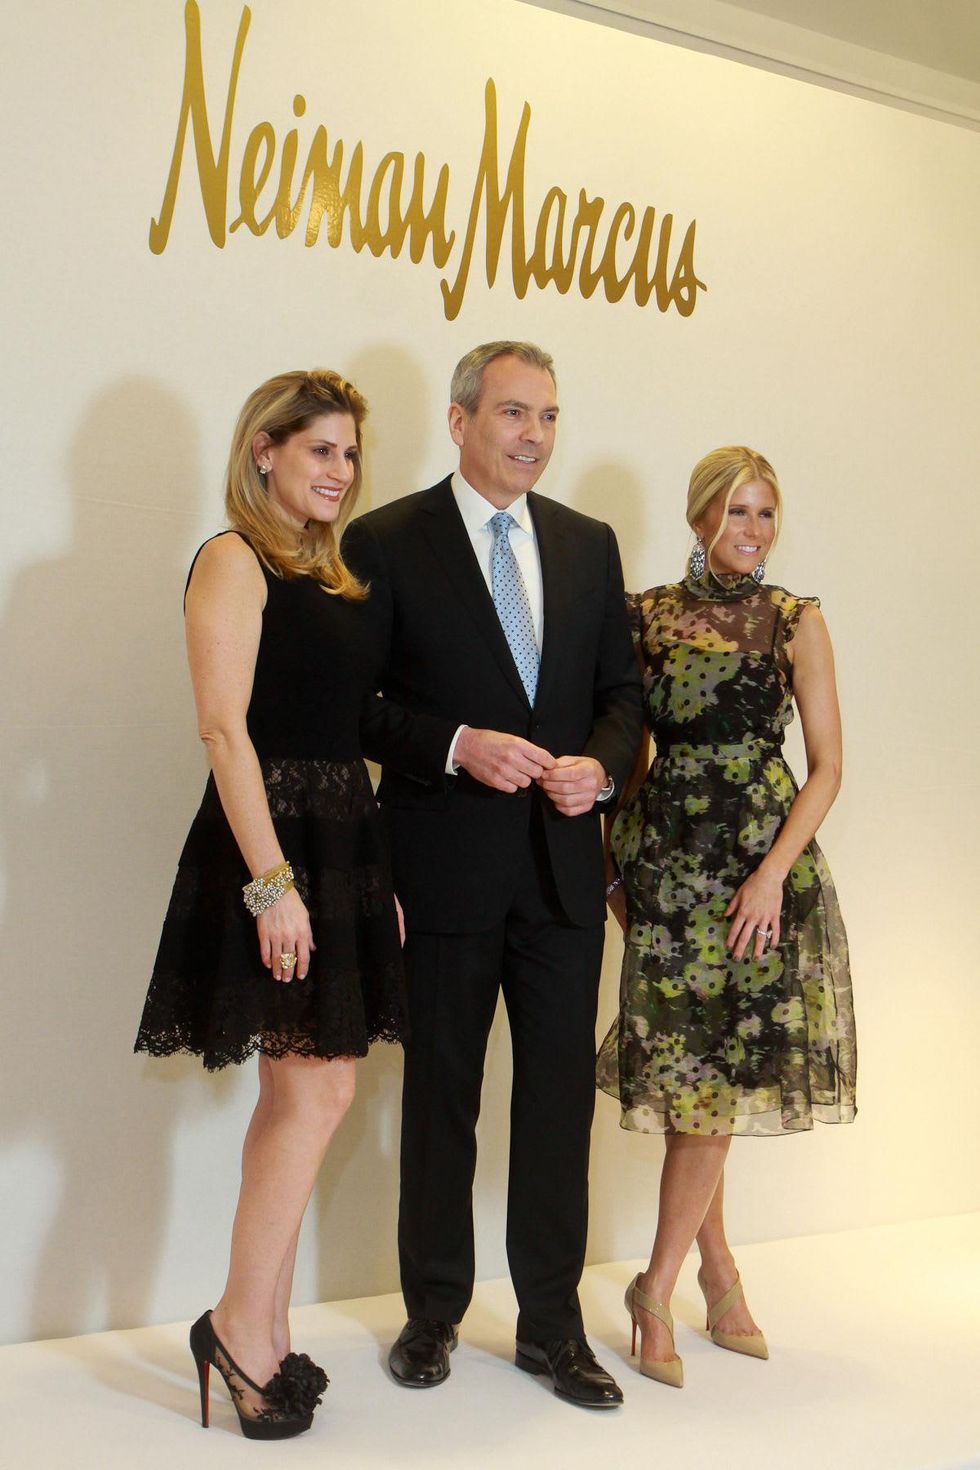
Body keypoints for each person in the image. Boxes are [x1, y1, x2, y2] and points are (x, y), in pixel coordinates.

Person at [342, 342, 642, 1408]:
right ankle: (431, 1315)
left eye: (549, 417)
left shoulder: (587, 543)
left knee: (560, 1108)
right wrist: (456, 743)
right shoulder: (385, 541)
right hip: (442, 871)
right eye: (513, 413)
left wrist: (600, 768)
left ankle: (552, 1330)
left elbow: (621, 694)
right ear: (461, 420)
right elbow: (358, 708)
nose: (533, 436)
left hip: (563, 879)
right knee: (440, 1100)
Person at [134, 370, 407, 1439]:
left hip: (342, 843)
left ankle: (263, 1326)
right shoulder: (229, 560)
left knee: (298, 1098)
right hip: (271, 851)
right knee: (316, 1098)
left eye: (348, 454)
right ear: (264, 452)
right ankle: (240, 1328)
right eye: (318, 450)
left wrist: (368, 882)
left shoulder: (334, 578)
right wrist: (273, 886)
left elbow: (348, 734)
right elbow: (222, 731)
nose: (338, 470)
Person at [596, 445, 856, 1387]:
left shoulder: (796, 618)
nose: (754, 532)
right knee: (691, 1075)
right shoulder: (645, 617)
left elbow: (827, 764)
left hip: (759, 869)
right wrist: (612, 871)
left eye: (766, 515)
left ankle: (656, 1287)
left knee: (720, 1079)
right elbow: (628, 754)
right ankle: (718, 1273)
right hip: (665, 866)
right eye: (738, 513)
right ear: (702, 514)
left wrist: (770, 877)